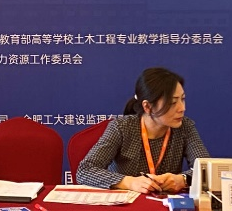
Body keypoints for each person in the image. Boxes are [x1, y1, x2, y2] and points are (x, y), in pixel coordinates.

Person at [77, 67, 210, 194]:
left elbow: (208, 168)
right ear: (147, 106)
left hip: (166, 205)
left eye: (183, 99)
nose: (182, 108)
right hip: (126, 204)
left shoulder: (185, 127)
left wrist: (183, 179)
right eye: (172, 102)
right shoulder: (122, 128)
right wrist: (128, 182)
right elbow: (85, 170)